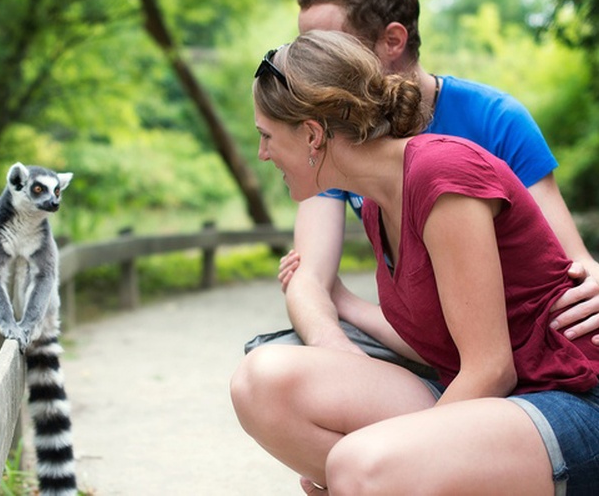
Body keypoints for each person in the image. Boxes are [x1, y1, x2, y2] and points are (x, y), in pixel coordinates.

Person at [232, 29, 599, 494]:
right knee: (261, 380)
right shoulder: (377, 203)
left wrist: (397, 455)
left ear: (312, 134)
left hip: (569, 399)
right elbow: (438, 343)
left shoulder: (441, 174)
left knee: (360, 465)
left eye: (266, 136)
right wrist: (340, 299)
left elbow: (490, 368)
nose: (263, 153)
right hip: (488, 402)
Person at [246, 0, 599, 370]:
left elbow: (573, 266)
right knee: (280, 364)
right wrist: (342, 356)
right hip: (421, 336)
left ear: (393, 40)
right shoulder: (333, 147)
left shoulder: (494, 119)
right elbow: (309, 277)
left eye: (328, 43)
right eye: (303, 44)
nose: (307, 60)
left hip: (505, 345)